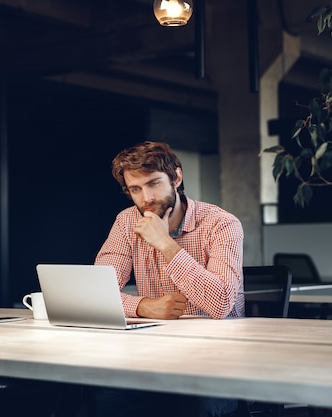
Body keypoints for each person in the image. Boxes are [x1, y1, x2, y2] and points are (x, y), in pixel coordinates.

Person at [93, 141, 245, 417]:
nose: (146, 198)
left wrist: (165, 243)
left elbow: (221, 303)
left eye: (153, 184)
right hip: (151, 357)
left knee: (187, 407)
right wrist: (143, 307)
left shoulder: (222, 224)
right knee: (102, 403)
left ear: (176, 177)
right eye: (135, 189)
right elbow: (96, 293)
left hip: (216, 360)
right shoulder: (126, 222)